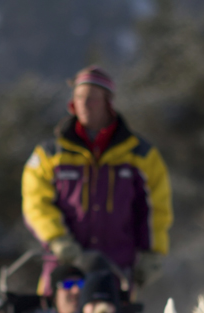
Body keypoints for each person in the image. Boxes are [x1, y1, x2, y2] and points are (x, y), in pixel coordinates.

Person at [22, 66, 173, 296]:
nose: (84, 103)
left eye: (92, 98)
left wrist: (153, 253)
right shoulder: (48, 154)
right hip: (65, 268)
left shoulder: (141, 155)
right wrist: (57, 239)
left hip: (116, 270)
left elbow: (156, 207)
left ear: (108, 102)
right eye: (79, 96)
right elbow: (35, 202)